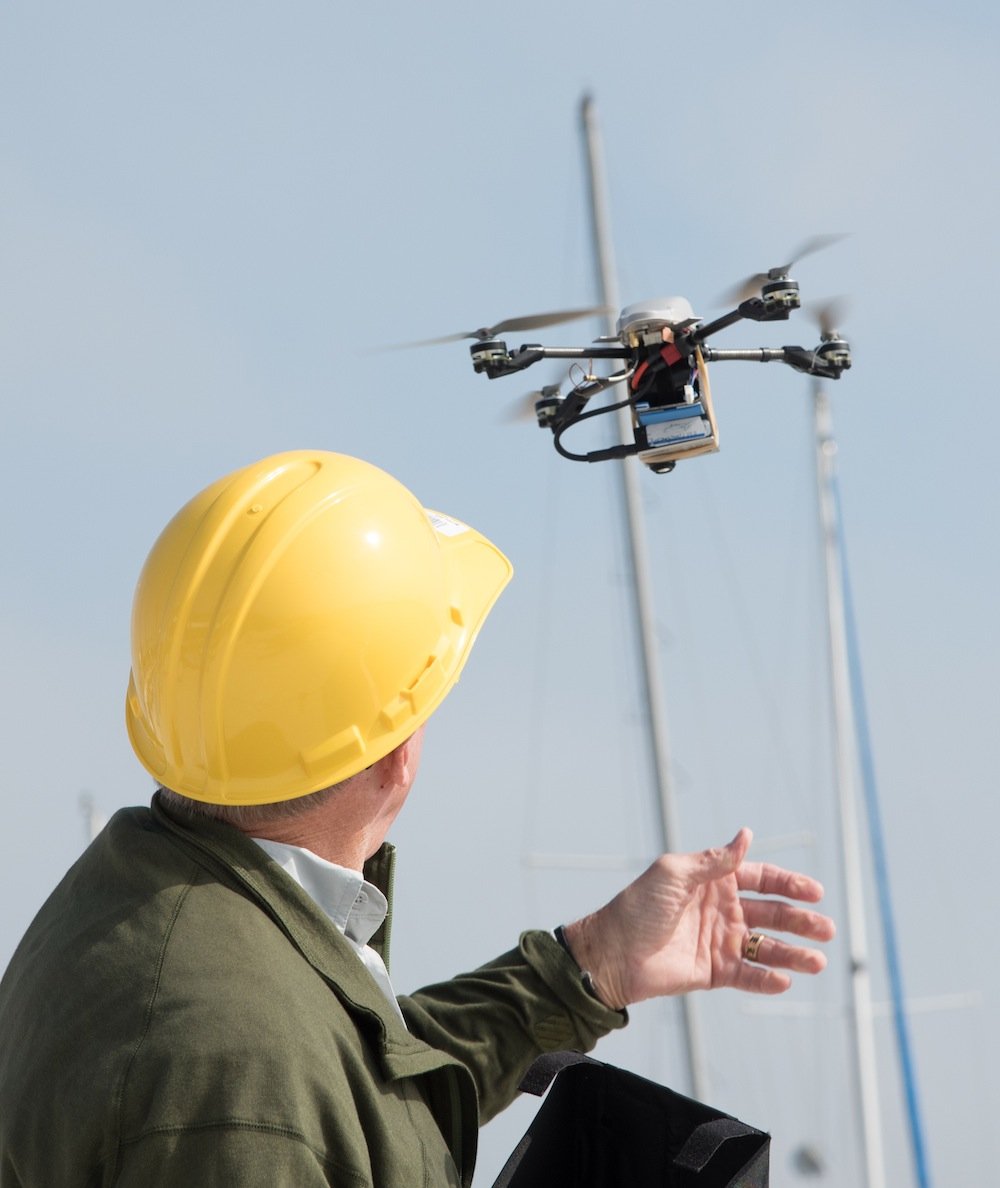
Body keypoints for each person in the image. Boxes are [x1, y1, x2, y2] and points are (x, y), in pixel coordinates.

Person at [0, 449, 835, 1187]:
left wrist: (586, 969)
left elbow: (355, 1084)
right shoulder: (239, 1078)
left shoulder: (147, 900)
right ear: (395, 753)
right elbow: (287, 1093)